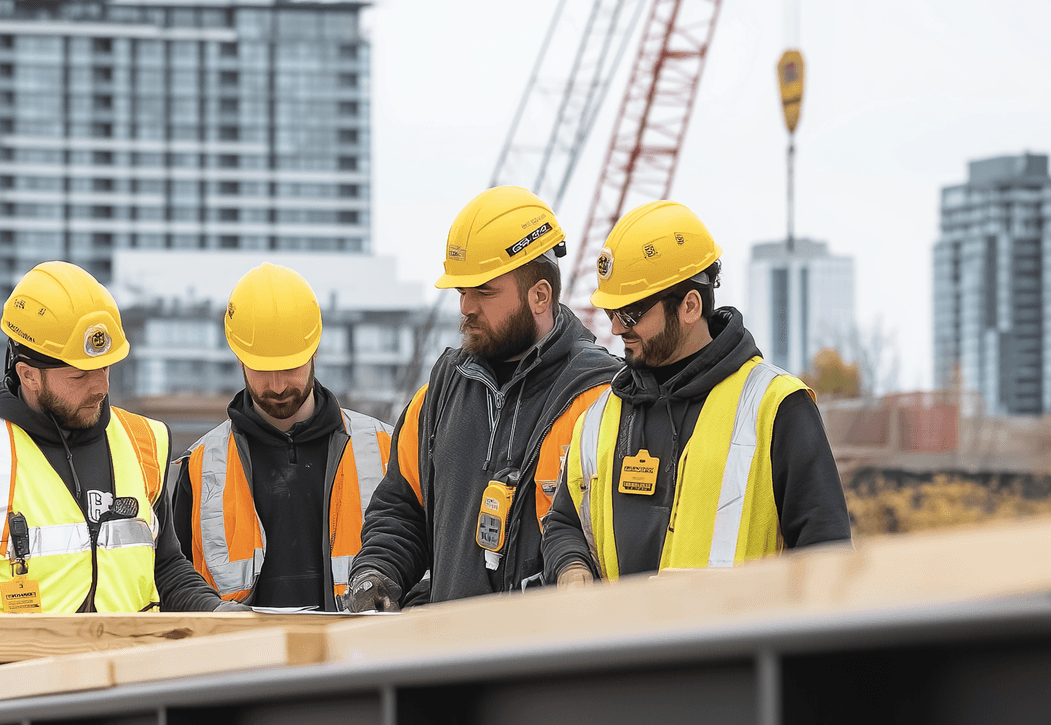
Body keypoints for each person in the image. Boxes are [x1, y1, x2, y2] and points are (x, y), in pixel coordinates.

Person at [0, 262, 231, 686]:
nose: (100, 387)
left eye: (106, 368)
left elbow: (164, 567)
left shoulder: (142, 443)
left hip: (128, 690)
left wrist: (216, 612)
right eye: (80, 375)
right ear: (28, 375)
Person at [539, 201, 851, 582]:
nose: (618, 329)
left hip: (739, 641)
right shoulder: (600, 418)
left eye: (631, 313)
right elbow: (564, 522)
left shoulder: (776, 407)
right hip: (620, 642)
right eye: (611, 313)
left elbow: (827, 558)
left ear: (690, 305)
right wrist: (572, 567)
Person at [344, 186, 621, 610]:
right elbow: (402, 510)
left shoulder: (601, 398)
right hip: (453, 661)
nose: (466, 307)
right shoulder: (440, 393)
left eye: (484, 292)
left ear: (540, 295)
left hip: (550, 663)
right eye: (461, 292)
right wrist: (377, 571)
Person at [162, 263, 393, 610]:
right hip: (244, 660)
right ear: (239, 358)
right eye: (262, 370)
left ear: (314, 350)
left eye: (290, 367)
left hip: (357, 659)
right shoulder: (201, 466)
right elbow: (175, 583)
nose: (278, 386)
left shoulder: (385, 448)